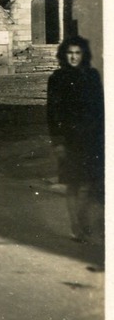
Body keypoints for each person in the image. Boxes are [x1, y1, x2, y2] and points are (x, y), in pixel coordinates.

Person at [46, 36, 104, 242]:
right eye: (70, 53)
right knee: (73, 184)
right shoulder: (57, 78)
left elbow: (100, 108)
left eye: (77, 53)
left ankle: (82, 221)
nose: (73, 57)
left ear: (83, 54)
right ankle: (76, 227)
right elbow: (52, 112)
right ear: (64, 54)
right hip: (68, 140)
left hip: (91, 139)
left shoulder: (92, 76)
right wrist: (58, 141)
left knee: (88, 183)